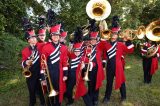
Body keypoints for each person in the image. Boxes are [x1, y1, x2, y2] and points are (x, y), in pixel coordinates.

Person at [99, 29, 134, 103]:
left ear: (117, 35)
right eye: (113, 33)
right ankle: (107, 97)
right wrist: (103, 64)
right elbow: (104, 55)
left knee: (121, 82)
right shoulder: (106, 44)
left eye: (115, 33)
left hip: (118, 66)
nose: (114, 35)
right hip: (110, 66)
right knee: (109, 82)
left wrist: (128, 41)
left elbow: (130, 50)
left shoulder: (120, 44)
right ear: (110, 34)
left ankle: (123, 97)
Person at [40, 24, 68, 106]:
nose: (56, 36)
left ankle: (58, 103)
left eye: (57, 35)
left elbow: (64, 62)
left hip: (60, 73)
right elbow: (42, 63)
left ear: (59, 36)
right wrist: (42, 77)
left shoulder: (63, 47)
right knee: (50, 90)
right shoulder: (46, 47)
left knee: (59, 89)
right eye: (54, 35)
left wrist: (65, 74)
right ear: (51, 36)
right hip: (50, 73)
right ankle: (50, 103)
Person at [21, 30, 45, 106]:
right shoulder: (24, 50)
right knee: (31, 89)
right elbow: (22, 62)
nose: (35, 39)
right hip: (30, 73)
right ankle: (32, 102)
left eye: (35, 37)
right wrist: (26, 62)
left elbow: (50, 44)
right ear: (28, 40)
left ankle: (43, 102)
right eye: (32, 38)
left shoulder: (41, 45)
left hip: (39, 72)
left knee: (41, 89)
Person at [66, 42, 93, 106]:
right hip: (71, 77)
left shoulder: (83, 58)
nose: (77, 52)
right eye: (76, 51)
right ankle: (70, 101)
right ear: (73, 50)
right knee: (69, 90)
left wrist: (85, 66)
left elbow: (92, 64)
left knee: (83, 92)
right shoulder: (70, 56)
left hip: (79, 78)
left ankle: (89, 104)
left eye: (79, 51)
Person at [83, 31, 105, 106]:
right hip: (89, 69)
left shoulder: (99, 46)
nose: (93, 41)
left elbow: (104, 41)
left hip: (97, 70)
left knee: (96, 84)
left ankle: (95, 99)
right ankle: (90, 98)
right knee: (90, 84)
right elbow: (84, 57)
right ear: (89, 40)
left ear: (97, 40)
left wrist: (102, 30)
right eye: (92, 39)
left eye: (95, 39)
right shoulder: (86, 47)